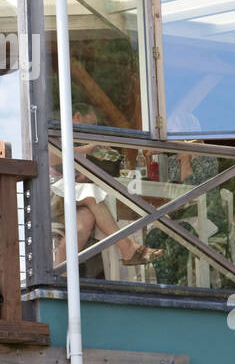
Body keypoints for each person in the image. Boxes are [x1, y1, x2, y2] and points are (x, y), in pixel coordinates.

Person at [51, 104, 162, 273]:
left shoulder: (78, 143)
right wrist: (89, 149)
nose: (93, 130)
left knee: (84, 222)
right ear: (78, 117)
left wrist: (88, 173)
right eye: (93, 124)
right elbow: (49, 156)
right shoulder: (58, 130)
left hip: (69, 197)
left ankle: (61, 276)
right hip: (47, 193)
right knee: (93, 196)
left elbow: (73, 176)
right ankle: (127, 247)